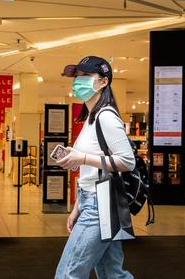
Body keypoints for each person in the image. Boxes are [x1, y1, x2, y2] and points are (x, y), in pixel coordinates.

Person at [55, 56, 135, 279]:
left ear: (103, 82)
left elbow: (127, 161)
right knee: (112, 274)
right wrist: (77, 206)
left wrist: (82, 157)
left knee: (68, 273)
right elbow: (93, 171)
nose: (78, 81)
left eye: (85, 76)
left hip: (101, 204)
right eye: (77, 76)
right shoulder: (91, 117)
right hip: (98, 200)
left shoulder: (106, 116)